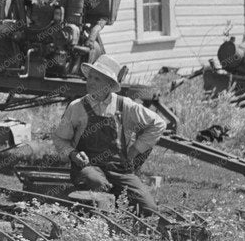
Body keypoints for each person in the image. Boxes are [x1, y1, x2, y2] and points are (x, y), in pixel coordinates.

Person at [51, 54, 165, 216]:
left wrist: (133, 151)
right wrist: (73, 154)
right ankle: (106, 214)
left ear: (109, 84)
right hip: (88, 168)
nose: (90, 82)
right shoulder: (76, 107)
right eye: (89, 77)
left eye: (97, 79)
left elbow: (158, 124)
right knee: (96, 183)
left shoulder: (124, 105)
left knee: (149, 209)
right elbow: (60, 139)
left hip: (120, 170)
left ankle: (117, 207)